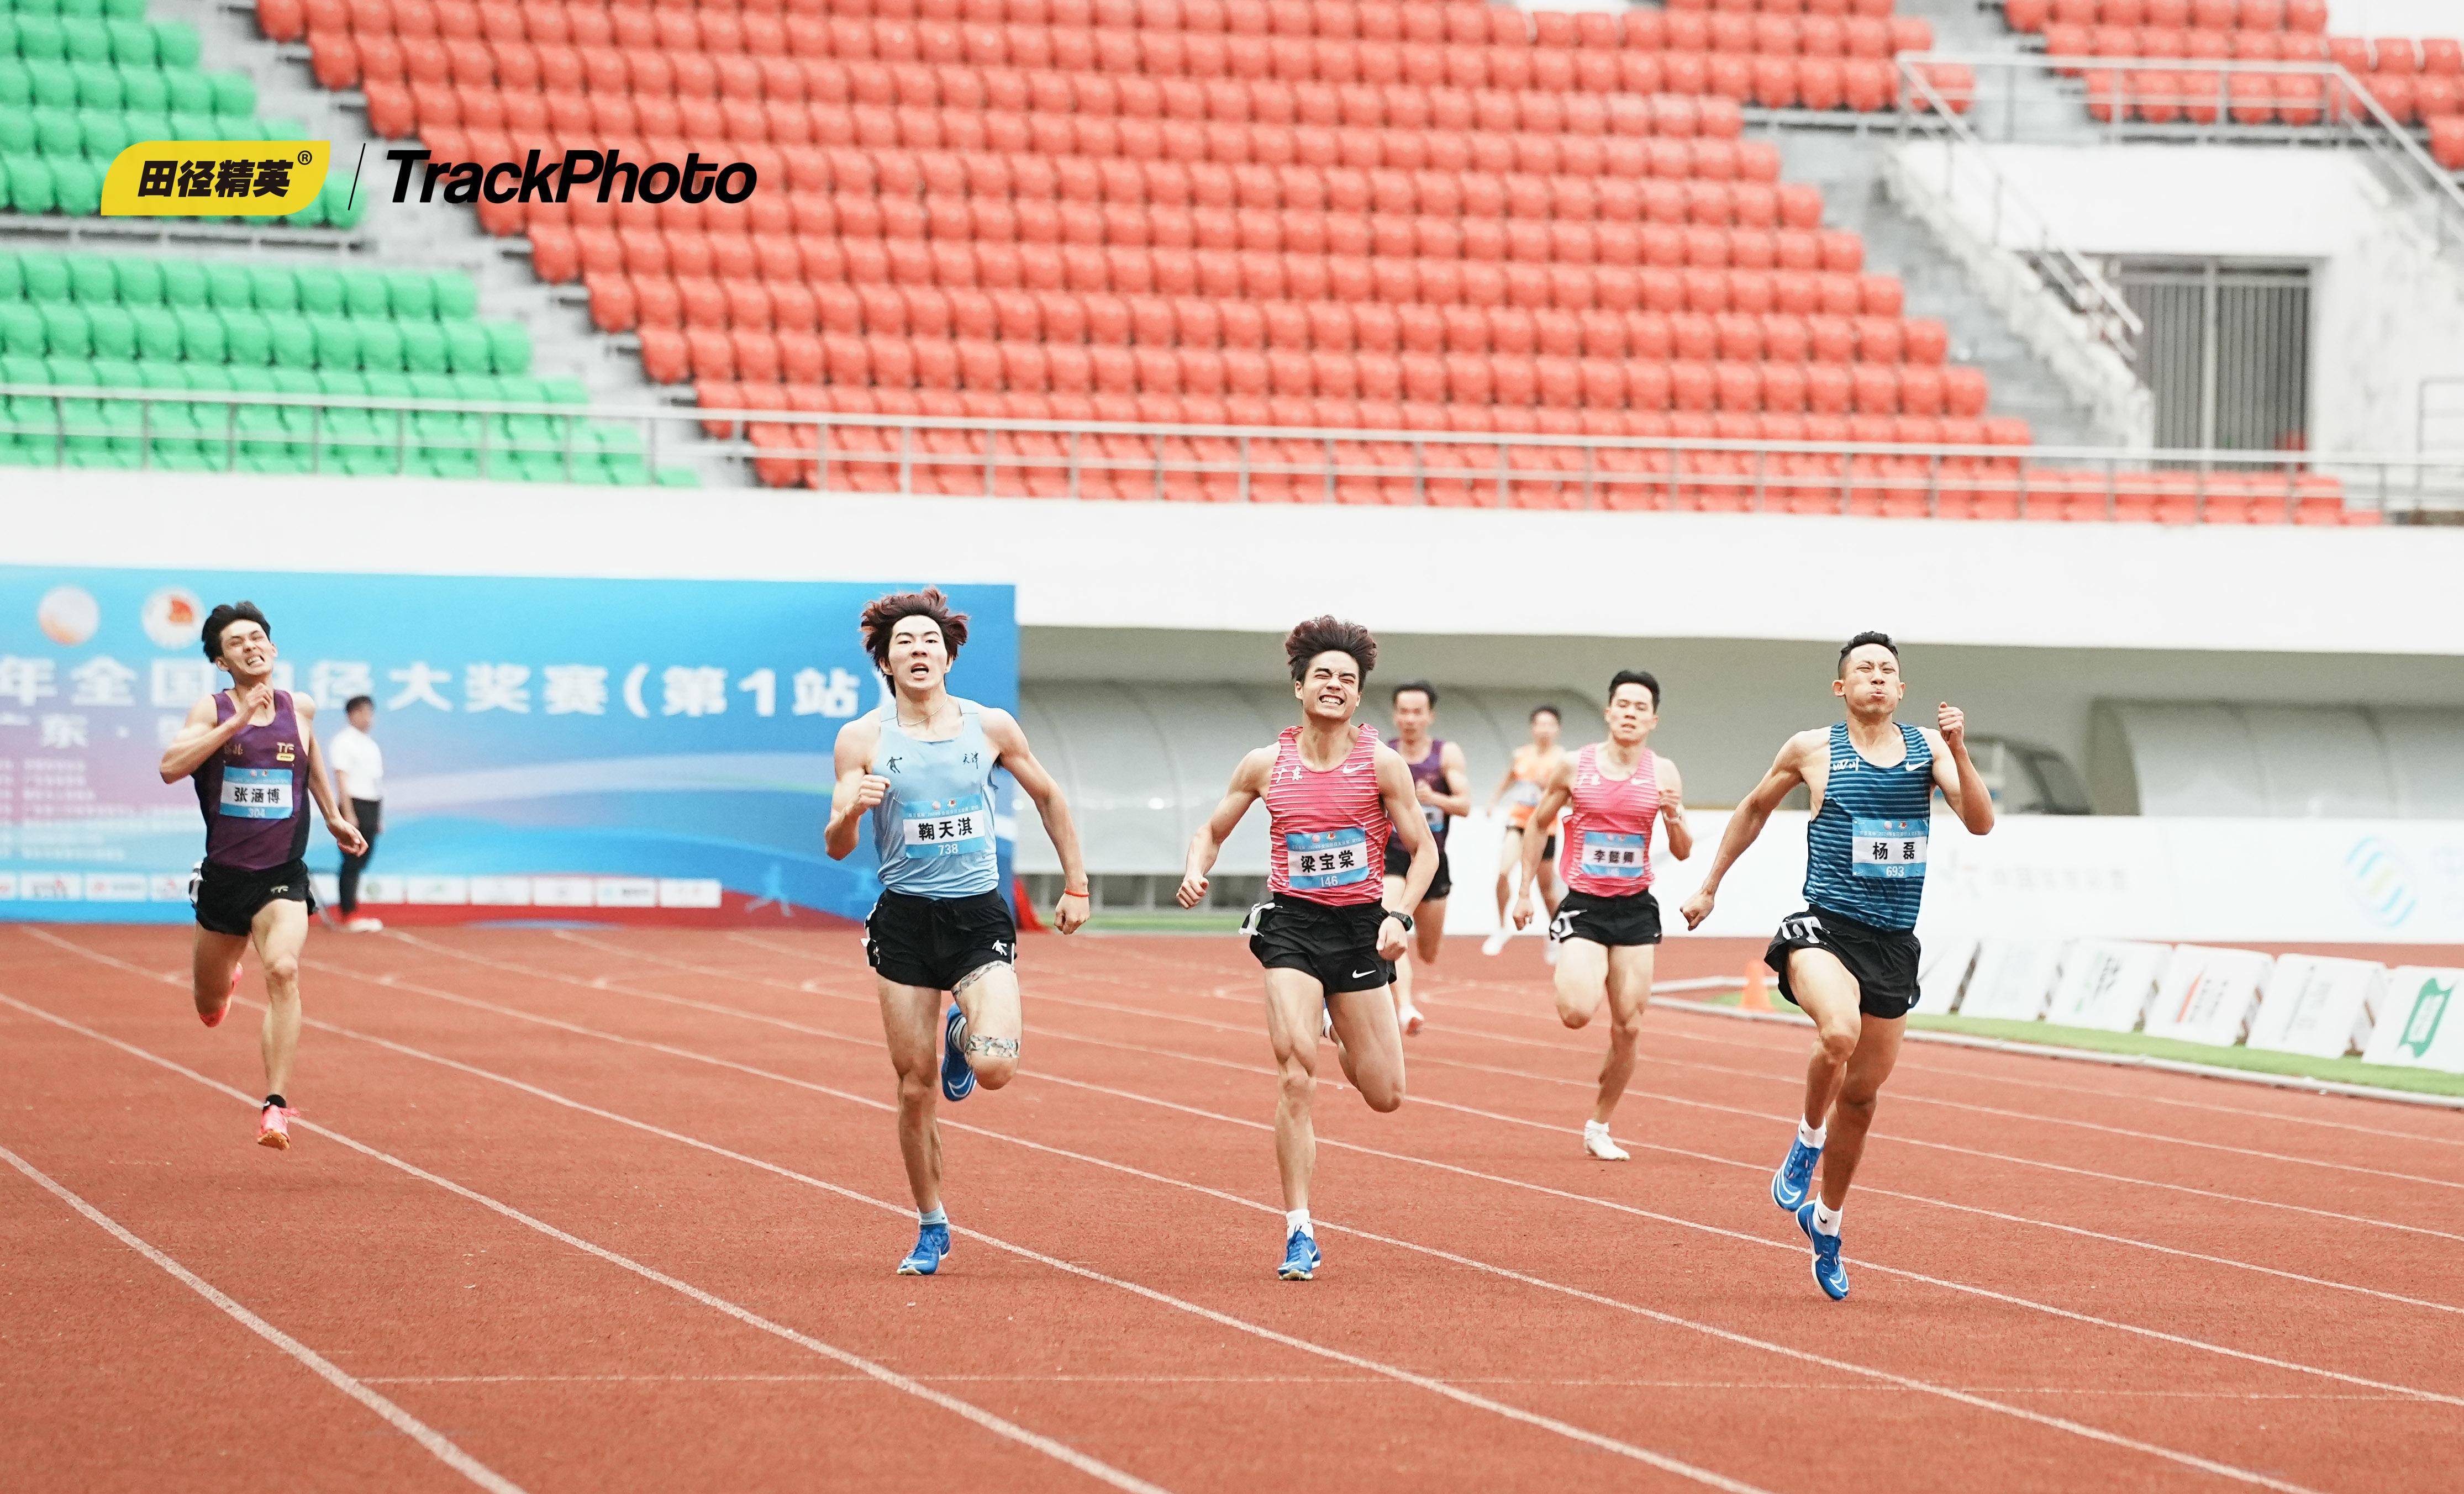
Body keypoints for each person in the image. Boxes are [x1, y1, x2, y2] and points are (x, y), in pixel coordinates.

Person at [1679, 632, 1994, 1301]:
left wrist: (1960, 750)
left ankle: (1825, 1221)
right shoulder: (1810, 748)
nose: (1876, 678)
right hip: (1823, 928)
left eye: (1887, 670)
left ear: (1900, 689)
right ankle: (1804, 1138)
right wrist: (1709, 884)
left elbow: (1979, 822)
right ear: (1840, 686)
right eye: (1863, 669)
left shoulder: (1928, 750)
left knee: (1864, 1094)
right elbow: (1753, 808)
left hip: (1892, 944)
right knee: (1838, 1034)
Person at [825, 588, 1091, 1277]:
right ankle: (931, 1221)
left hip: (977, 914)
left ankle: (962, 1037)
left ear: (949, 654)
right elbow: (834, 843)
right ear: (883, 659)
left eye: (929, 640)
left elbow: (1049, 796)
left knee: (996, 1063)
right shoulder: (862, 739)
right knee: (914, 1088)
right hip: (905, 922)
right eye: (904, 642)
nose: (918, 650)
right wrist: (850, 812)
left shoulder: (990, 726)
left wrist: (1077, 883)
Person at [1177, 616, 1436, 1281]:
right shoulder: (1265, 764)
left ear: (1358, 696)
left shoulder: (1381, 764)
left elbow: (1424, 849)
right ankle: (1299, 1228)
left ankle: (1337, 1022)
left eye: (1347, 679)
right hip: (1290, 926)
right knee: (1295, 1075)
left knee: (1386, 1094)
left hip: (1357, 929)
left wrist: (1398, 914)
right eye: (1323, 674)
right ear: (1299, 686)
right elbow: (1211, 828)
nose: (1334, 685)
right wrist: (1194, 866)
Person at [158, 601, 366, 1150]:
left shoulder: (301, 707)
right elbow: (170, 768)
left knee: (284, 967)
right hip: (225, 880)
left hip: (282, 874)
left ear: (271, 648)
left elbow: (309, 756)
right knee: (207, 1006)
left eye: (257, 637)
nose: (250, 646)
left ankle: (275, 1106)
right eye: (236, 643)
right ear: (222, 661)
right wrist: (235, 722)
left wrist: (334, 816)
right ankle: (223, 984)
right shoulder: (211, 708)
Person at [1513, 672, 1691, 1162]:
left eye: (1641, 706)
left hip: (1635, 908)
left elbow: (1683, 848)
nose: (1631, 712)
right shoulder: (1575, 766)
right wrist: (1526, 890)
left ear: (1653, 719)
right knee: (1575, 1012)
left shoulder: (1664, 772)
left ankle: (1599, 1124)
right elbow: (1537, 825)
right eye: (1623, 704)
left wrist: (1673, 817)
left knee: (1629, 1026)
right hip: (1585, 905)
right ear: (1609, 712)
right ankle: (1578, 968)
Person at [1382, 681, 1468, 1037]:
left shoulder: (1445, 755)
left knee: (1429, 950)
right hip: (1391, 856)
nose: (1410, 719)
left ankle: (1416, 960)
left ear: (1430, 716)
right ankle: (1405, 1008)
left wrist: (1433, 798)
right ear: (1395, 715)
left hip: (1432, 859)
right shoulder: (1383, 754)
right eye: (1403, 711)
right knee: (1391, 925)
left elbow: (1464, 805)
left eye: (1417, 712)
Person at [1483, 705, 1568, 957]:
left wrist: (1549, 789)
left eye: (1549, 725)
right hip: (1519, 822)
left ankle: (1556, 934)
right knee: (1502, 872)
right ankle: (1501, 928)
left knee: (1546, 889)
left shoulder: (1563, 760)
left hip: (1545, 828)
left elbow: (1571, 796)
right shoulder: (1521, 755)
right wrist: (1493, 800)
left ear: (1557, 729)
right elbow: (1509, 778)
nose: (1544, 730)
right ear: (1532, 728)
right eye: (1539, 724)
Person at [326, 694, 385, 932]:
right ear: (352, 714)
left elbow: (376, 782)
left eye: (371, 713)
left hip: (372, 804)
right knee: (351, 859)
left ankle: (352, 908)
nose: (368, 718)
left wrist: (379, 816)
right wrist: (347, 812)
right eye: (363, 712)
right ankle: (348, 912)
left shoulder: (370, 744)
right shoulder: (343, 742)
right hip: (354, 805)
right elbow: (341, 778)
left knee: (363, 859)